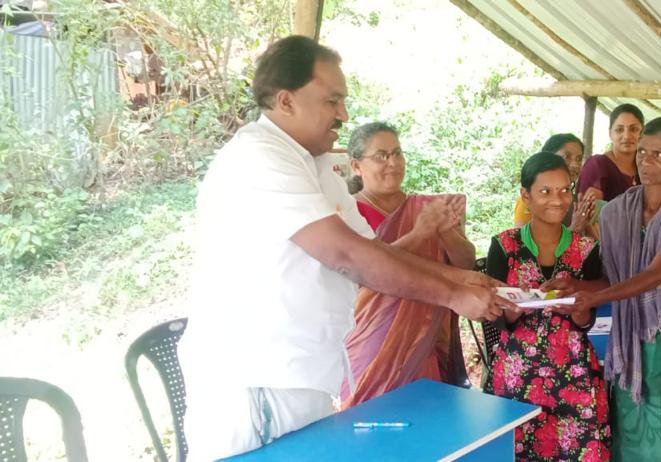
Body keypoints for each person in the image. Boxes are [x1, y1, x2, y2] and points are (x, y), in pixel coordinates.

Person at [177, 36, 510, 461]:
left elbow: (373, 249)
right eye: (332, 100)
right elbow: (347, 256)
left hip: (302, 376)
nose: (344, 114)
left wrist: (463, 278)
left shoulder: (315, 166)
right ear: (286, 101)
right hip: (258, 380)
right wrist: (452, 295)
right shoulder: (259, 157)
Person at [546, 116, 661, 461]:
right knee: (639, 418)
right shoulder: (617, 212)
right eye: (642, 152)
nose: (646, 161)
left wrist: (595, 297)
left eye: (658, 154)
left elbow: (654, 274)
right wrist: (576, 286)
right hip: (635, 338)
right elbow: (617, 277)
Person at [484, 152, 611, 461]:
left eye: (565, 190)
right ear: (526, 196)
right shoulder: (504, 246)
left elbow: (587, 318)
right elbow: (491, 313)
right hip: (516, 377)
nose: (558, 199)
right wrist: (511, 311)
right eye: (545, 191)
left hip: (575, 374)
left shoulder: (587, 249)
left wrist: (579, 310)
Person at [339, 121, 475, 409]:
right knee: (370, 424)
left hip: (423, 340)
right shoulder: (345, 214)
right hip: (368, 344)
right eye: (381, 156)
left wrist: (445, 231)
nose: (393, 163)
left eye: (397, 153)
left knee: (426, 420)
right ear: (356, 165)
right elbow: (362, 272)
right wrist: (419, 234)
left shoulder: (425, 207)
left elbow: (465, 263)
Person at [513, 133, 593, 231]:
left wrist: (587, 224)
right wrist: (574, 229)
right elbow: (521, 240)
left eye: (579, 159)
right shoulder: (529, 200)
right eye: (567, 157)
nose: (575, 165)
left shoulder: (576, 201)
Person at [576, 103, 644, 203]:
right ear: (610, 134)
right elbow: (589, 210)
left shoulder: (646, 166)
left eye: (634, 129)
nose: (627, 136)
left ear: (643, 134)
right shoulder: (598, 165)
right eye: (619, 130)